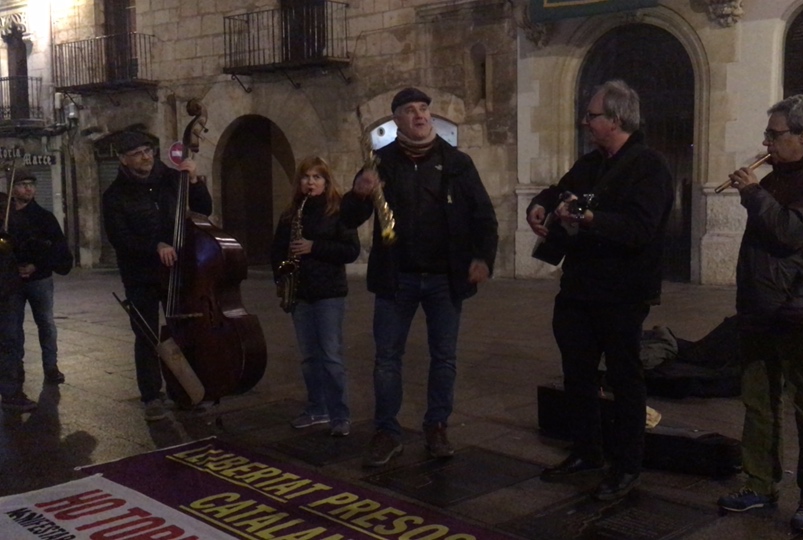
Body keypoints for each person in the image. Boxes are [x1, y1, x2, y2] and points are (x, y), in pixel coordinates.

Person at [526, 79, 674, 501]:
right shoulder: (591, 163)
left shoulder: (649, 167)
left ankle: (626, 465)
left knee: (625, 380)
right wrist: (539, 204)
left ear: (616, 119)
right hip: (579, 287)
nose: (585, 122)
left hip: (623, 292)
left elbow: (641, 229)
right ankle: (587, 450)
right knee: (577, 373)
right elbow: (559, 189)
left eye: (592, 116)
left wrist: (592, 220)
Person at [341, 87, 499, 467]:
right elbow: (348, 218)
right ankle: (387, 432)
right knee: (386, 359)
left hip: (445, 278)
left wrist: (482, 258)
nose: (420, 115)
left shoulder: (457, 162)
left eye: (424, 108)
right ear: (397, 119)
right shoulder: (380, 162)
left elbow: (483, 215)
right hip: (397, 278)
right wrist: (359, 194)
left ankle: (437, 426)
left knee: (444, 357)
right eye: (411, 110)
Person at [717, 94, 803, 532]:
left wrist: (752, 193)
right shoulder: (780, 174)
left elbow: (790, 230)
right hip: (763, 305)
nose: (767, 143)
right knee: (759, 399)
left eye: (774, 134)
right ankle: (760, 482)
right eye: (768, 134)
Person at [102, 130, 212, 422]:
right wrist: (155, 246)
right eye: (137, 153)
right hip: (140, 275)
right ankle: (151, 396)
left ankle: (187, 390)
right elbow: (120, 238)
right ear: (124, 159)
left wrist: (194, 181)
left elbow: (204, 208)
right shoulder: (114, 195)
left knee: (182, 330)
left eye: (148, 150)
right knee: (147, 336)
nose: (146, 157)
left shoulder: (172, 179)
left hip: (177, 268)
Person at [271, 156, 360, 437]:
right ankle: (316, 408)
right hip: (300, 292)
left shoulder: (338, 211)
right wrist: (281, 278)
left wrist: (314, 247)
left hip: (329, 292)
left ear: (326, 181)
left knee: (331, 356)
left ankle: (340, 415)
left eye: (316, 177)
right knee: (309, 357)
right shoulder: (291, 212)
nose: (310, 182)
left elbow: (351, 250)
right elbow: (277, 250)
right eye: (306, 177)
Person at [8, 173, 73, 386]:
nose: (28, 189)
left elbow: (58, 249)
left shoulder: (44, 217)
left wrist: (36, 265)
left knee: (45, 323)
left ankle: (51, 367)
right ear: (12, 188)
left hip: (39, 279)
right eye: (22, 185)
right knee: (13, 326)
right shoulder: (5, 216)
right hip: (12, 280)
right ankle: (15, 367)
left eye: (31, 185)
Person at [0, 191, 35, 412]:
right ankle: (11, 391)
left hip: (8, 288)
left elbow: (24, 245)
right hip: (6, 288)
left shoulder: (13, 220)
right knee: (9, 342)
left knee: (11, 341)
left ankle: (13, 391)